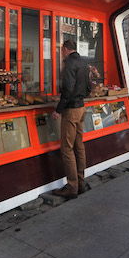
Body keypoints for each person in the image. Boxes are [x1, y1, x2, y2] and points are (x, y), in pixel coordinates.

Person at [51, 39, 92, 199]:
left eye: (62, 51)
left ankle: (72, 187)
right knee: (79, 147)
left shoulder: (69, 64)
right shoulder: (84, 64)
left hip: (71, 110)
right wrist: (79, 95)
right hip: (81, 108)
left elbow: (67, 89)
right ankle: (80, 183)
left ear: (65, 49)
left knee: (67, 149)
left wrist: (58, 109)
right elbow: (88, 88)